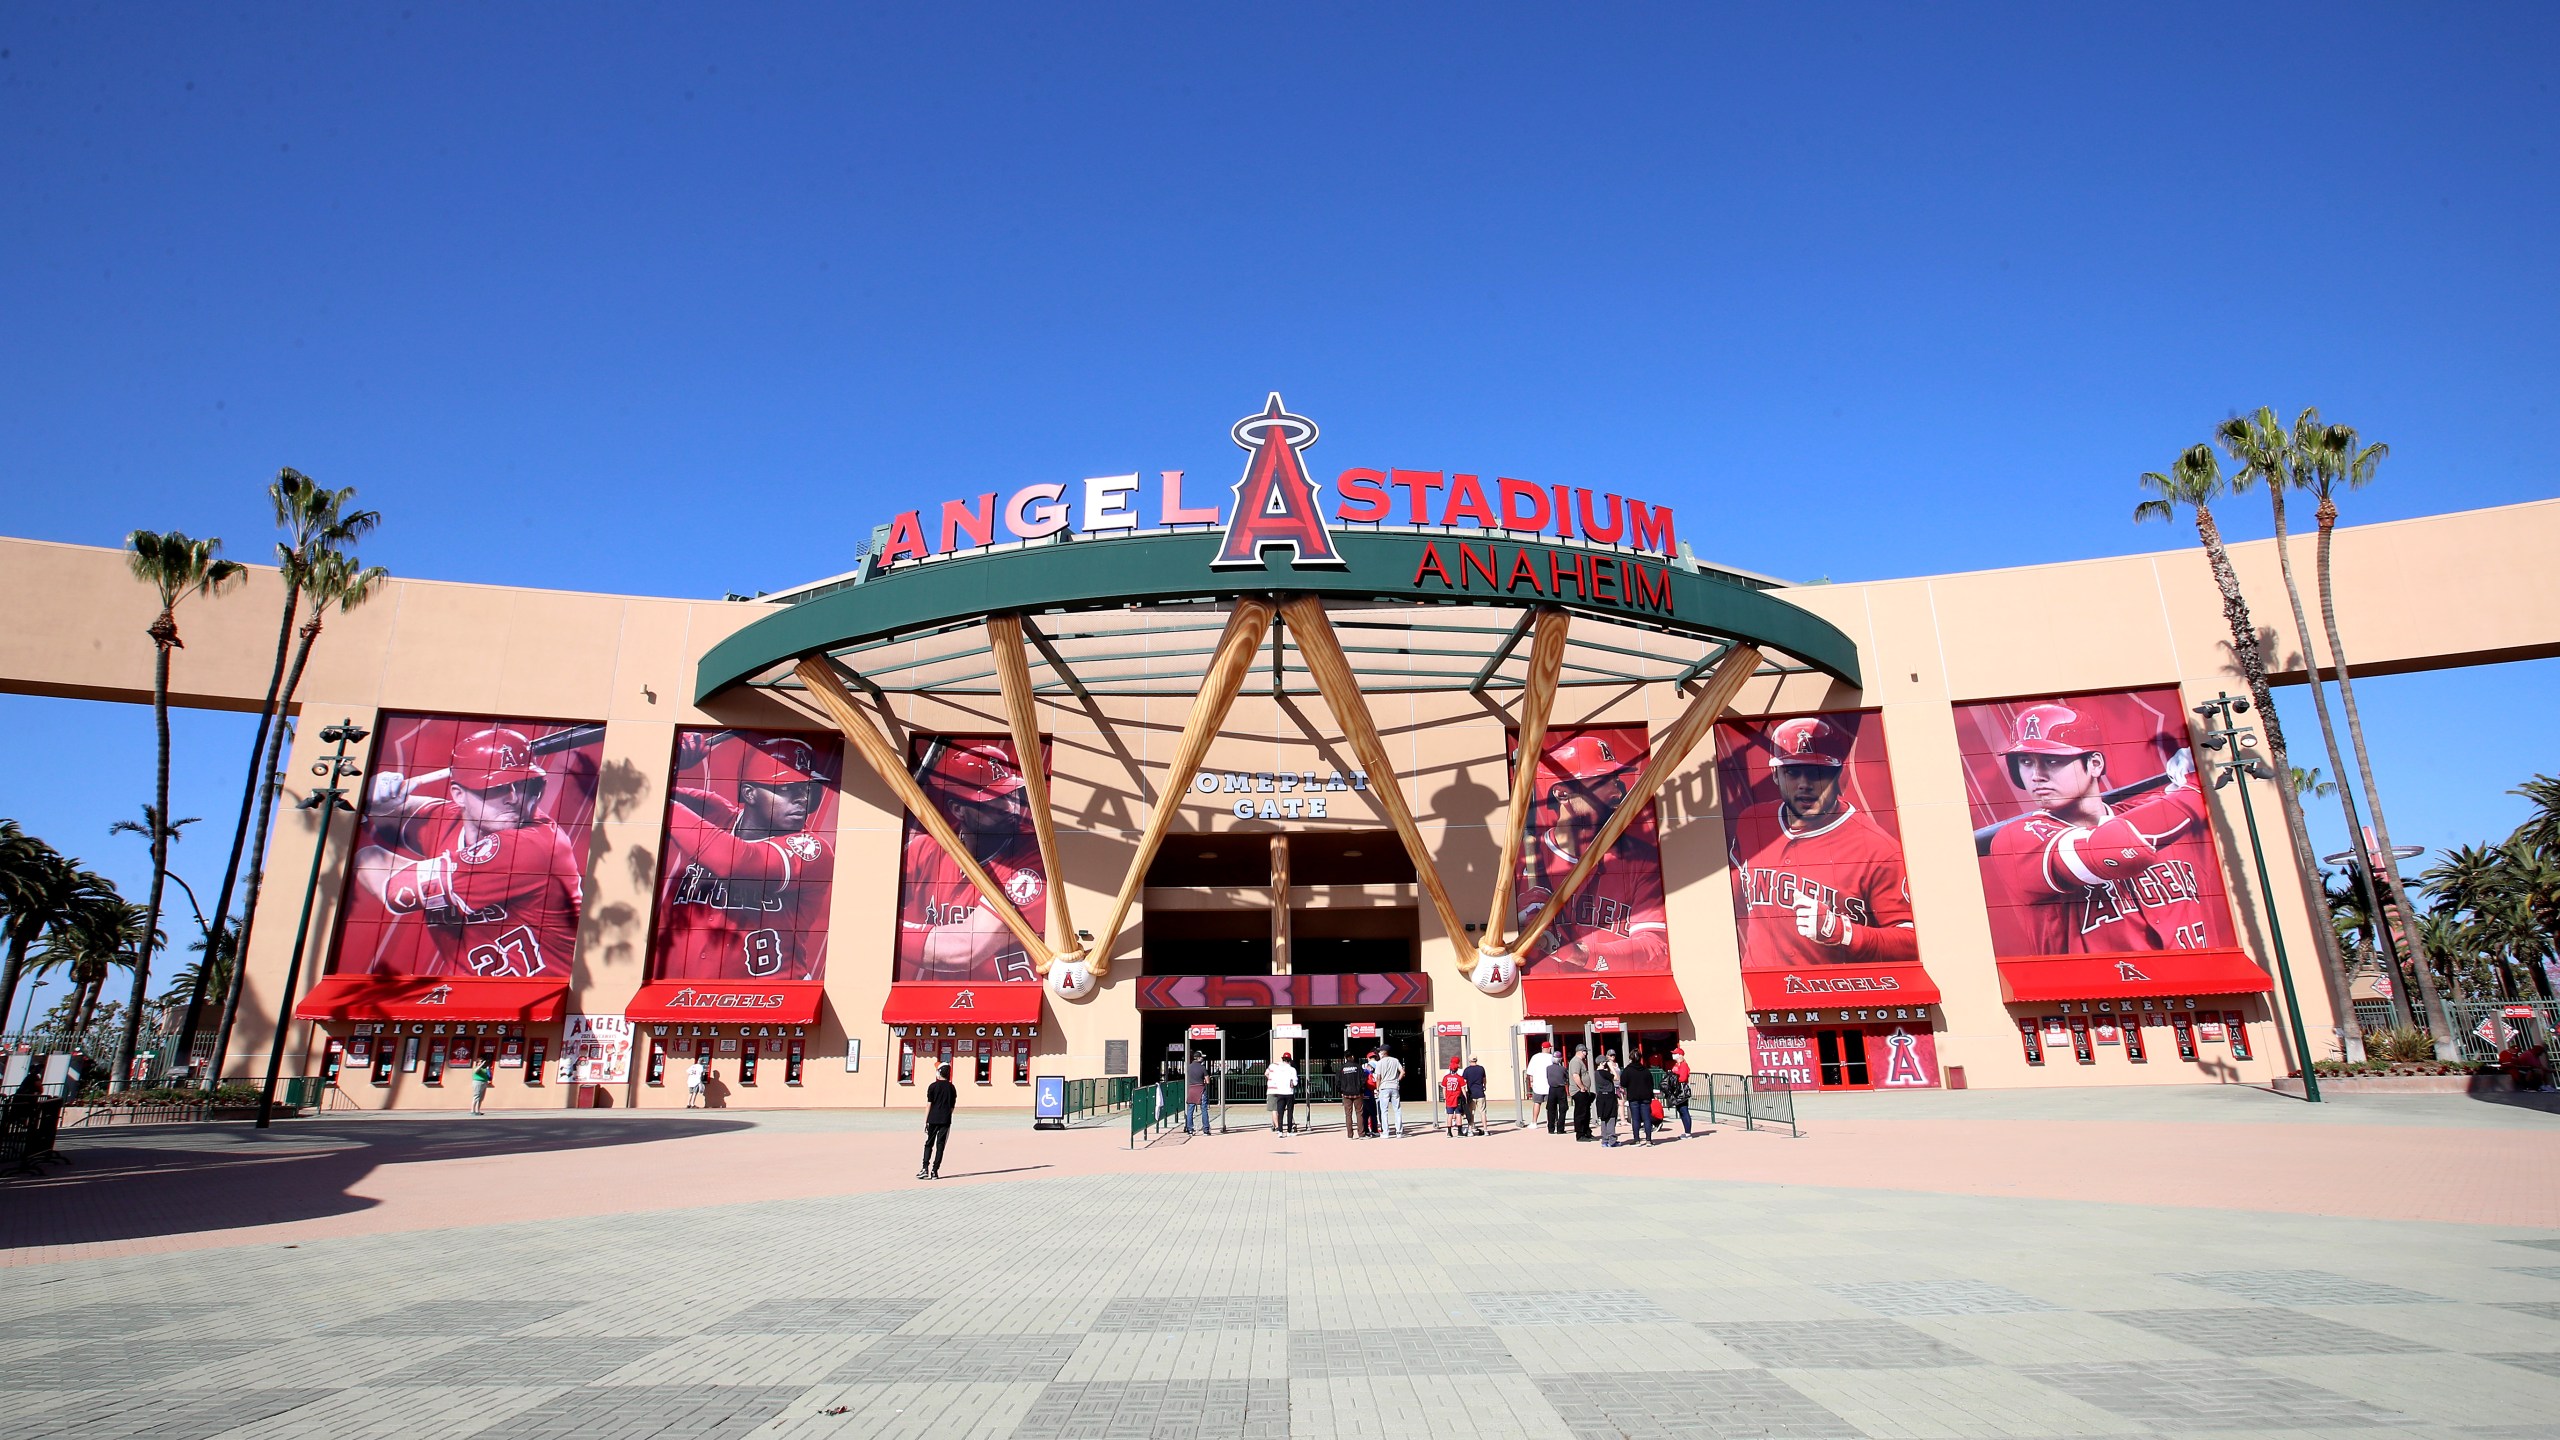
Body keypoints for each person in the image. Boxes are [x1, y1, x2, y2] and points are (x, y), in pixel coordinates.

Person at [1979, 704, 2214, 954]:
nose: (2036, 775)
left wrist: (2203, 774)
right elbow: (2115, 850)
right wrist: (2193, 789)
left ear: (2094, 764)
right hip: (2099, 990)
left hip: (2198, 983)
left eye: (2051, 760)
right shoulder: (2015, 841)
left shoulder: (2160, 812)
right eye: (2026, 761)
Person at [353, 727, 584, 978]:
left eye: (525, 785)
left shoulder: (533, 845)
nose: (514, 798)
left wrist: (360, 850)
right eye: (495, 787)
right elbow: (387, 823)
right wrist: (374, 797)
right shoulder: (448, 821)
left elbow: (394, 889)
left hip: (550, 999)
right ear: (459, 795)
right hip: (471, 999)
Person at [1727, 717, 1920, 971]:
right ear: (1775, 774)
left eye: (1818, 772)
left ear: (1840, 774)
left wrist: (1843, 932)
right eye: (1793, 771)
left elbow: (1914, 942)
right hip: (1759, 995)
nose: (1805, 784)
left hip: (1833, 995)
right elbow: (1732, 902)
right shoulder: (1751, 822)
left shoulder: (1879, 849)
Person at [655, 733, 836, 980]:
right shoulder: (715, 813)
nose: (802, 798)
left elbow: (734, 861)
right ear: (750, 794)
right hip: (684, 993)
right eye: (787, 789)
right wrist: (669, 763)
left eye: (806, 789)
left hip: (775, 996)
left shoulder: (812, 849)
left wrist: (660, 802)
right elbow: (634, 791)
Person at [1514, 736, 1670, 973]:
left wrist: (1578, 953)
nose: (1617, 787)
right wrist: (1518, 921)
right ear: (1562, 794)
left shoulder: (1640, 860)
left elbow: (1655, 949)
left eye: (1616, 778)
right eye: (1603, 779)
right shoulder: (1525, 862)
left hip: (1627, 992)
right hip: (1544, 994)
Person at [897, 740, 1048, 983]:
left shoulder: (1033, 859)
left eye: (1011, 793)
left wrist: (879, 928)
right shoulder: (926, 849)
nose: (1010, 807)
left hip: (1008, 1001)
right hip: (934, 1004)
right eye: (991, 799)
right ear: (958, 809)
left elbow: (963, 949)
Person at [920, 1062, 956, 1179]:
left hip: (933, 1118)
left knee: (928, 1143)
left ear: (939, 1072)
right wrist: (946, 1115)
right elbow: (952, 1107)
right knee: (940, 1145)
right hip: (945, 1119)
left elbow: (928, 1105)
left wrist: (925, 1121)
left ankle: (925, 1168)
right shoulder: (951, 1088)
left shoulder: (932, 1086)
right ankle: (935, 1171)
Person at [1621, 1049, 1656, 1146]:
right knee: (1646, 1118)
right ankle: (1648, 1139)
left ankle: (1636, 1139)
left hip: (1633, 1097)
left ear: (1631, 1058)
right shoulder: (1646, 1070)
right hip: (1645, 1097)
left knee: (1635, 1119)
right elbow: (1651, 1084)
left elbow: (1623, 1083)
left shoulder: (1628, 1070)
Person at [1372, 1046, 1406, 1138]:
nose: (1379, 1053)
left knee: (1384, 1110)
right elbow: (1402, 1072)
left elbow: (1378, 1077)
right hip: (1394, 1086)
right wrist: (1397, 1080)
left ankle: (1386, 1132)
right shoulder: (1395, 1060)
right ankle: (1399, 1132)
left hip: (1384, 1087)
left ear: (1384, 1052)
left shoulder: (1379, 1063)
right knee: (1397, 1110)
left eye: (1380, 1051)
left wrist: (1377, 1088)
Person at [1568, 1044, 1596, 1142]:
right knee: (1580, 1113)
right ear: (1580, 1051)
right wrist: (1582, 1087)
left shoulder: (1581, 1061)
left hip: (1584, 1091)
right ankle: (1580, 1135)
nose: (1586, 1053)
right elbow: (1575, 1075)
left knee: (1586, 1113)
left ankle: (1586, 1132)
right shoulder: (1575, 1061)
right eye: (1585, 1051)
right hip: (1578, 1091)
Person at [1593, 1052, 1622, 1147]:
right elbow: (1616, 1078)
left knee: (1603, 1118)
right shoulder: (1605, 1073)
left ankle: (1604, 1140)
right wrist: (1611, 1067)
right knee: (1611, 1117)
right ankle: (1612, 1140)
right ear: (1602, 1063)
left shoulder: (1595, 1073)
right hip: (1609, 1096)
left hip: (1600, 1096)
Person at [1526, 1043, 1556, 1132]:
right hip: (1549, 1085)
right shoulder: (1551, 1057)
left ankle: (1534, 1122)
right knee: (1550, 1105)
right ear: (1549, 1048)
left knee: (1537, 1103)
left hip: (1537, 1085)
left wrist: (1531, 1082)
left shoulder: (1535, 1057)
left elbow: (1530, 1072)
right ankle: (1549, 1122)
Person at [1267, 1050, 1298, 1134]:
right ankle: (1289, 1130)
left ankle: (1280, 1131)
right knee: (1289, 1112)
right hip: (1289, 1093)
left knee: (1280, 1112)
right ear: (1290, 1060)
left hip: (1280, 1092)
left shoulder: (1278, 1069)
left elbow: (1275, 1080)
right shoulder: (1292, 1070)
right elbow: (1295, 1082)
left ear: (1283, 1059)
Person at [1667, 1047, 1696, 1138]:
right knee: (1680, 1110)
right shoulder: (1676, 1065)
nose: (1673, 1055)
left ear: (1680, 1055)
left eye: (1675, 1053)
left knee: (1684, 1110)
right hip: (1676, 1090)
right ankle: (1686, 1131)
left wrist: (1673, 1079)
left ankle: (1688, 1132)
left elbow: (1682, 1078)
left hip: (1682, 1090)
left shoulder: (1683, 1065)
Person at [1184, 1050, 1212, 1136]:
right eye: (1202, 1057)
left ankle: (1190, 1129)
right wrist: (1205, 1079)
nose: (1202, 1058)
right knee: (1204, 1109)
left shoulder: (1188, 1067)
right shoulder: (1202, 1068)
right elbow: (1207, 1081)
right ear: (1199, 1058)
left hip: (1192, 1089)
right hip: (1200, 1089)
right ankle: (1206, 1129)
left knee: (1190, 1110)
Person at [1337, 1054, 1365, 1139]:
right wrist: (1362, 1090)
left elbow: (1337, 1081)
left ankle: (1350, 1135)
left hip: (1346, 1093)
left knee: (1348, 1114)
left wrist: (1341, 1091)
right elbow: (1363, 1080)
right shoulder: (1358, 1067)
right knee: (1359, 1113)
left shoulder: (1342, 1068)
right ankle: (1361, 1134)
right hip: (1357, 1093)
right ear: (1352, 1056)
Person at [1439, 1059, 1467, 1137]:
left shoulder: (1446, 1077)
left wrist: (1445, 1098)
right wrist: (1465, 1098)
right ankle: (1459, 1132)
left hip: (1449, 1098)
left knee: (1449, 1115)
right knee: (1458, 1114)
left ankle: (1449, 1132)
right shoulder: (1459, 1078)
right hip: (1457, 1098)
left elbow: (1444, 1088)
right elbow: (1463, 1089)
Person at [1462, 1056, 1488, 1136]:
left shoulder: (1467, 1070)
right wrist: (1484, 1086)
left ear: (1469, 1060)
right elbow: (1484, 1079)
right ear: (1476, 1060)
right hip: (1480, 1093)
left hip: (1471, 1094)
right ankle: (1485, 1130)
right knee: (1483, 1112)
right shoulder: (1481, 1069)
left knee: (1471, 1113)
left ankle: (1470, 1130)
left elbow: (1464, 1082)